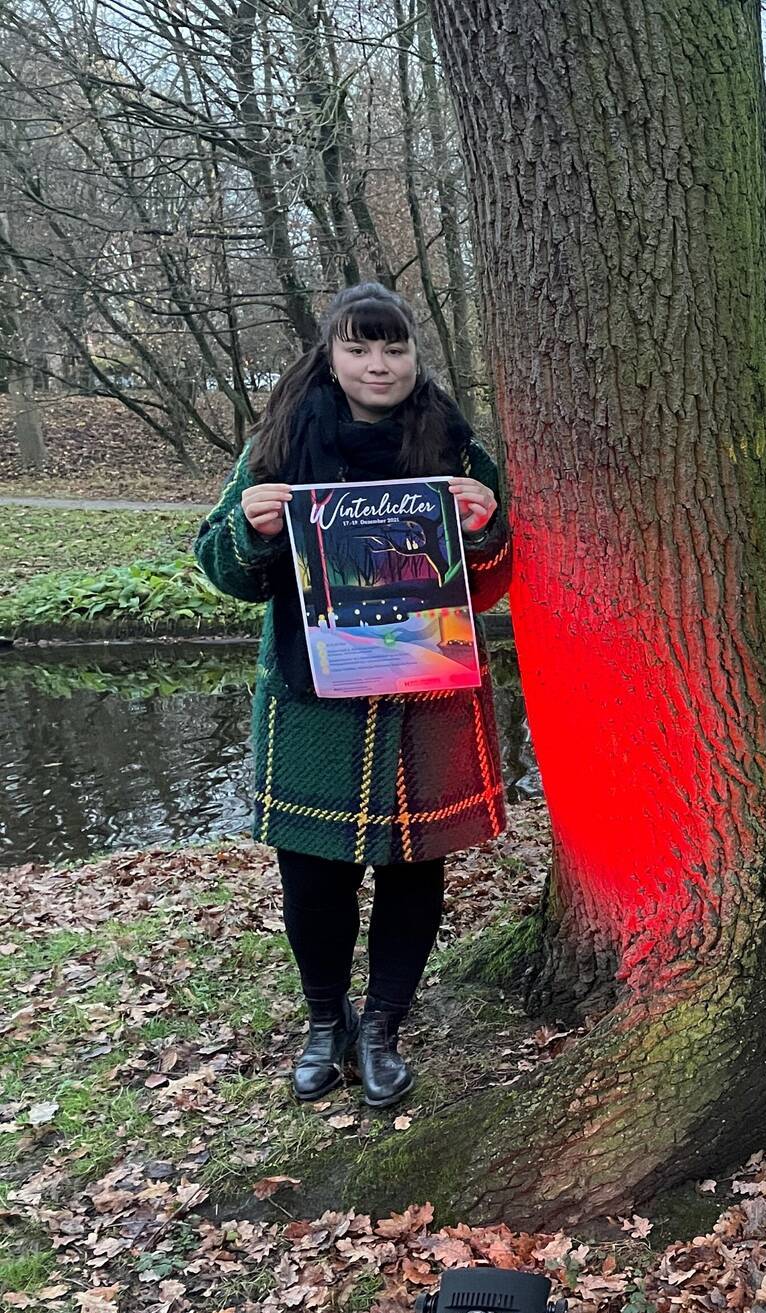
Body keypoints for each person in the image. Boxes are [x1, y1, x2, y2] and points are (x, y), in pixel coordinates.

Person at [194, 283, 515, 1110]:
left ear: (415, 357)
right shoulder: (275, 444)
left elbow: (491, 586)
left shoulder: (457, 446)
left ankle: (382, 1027)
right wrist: (249, 529)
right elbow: (224, 569)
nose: (379, 364)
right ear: (331, 356)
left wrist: (485, 532)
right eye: (361, 347)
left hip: (423, 698)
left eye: (395, 348)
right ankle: (323, 1023)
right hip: (312, 698)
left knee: (414, 870)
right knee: (310, 876)